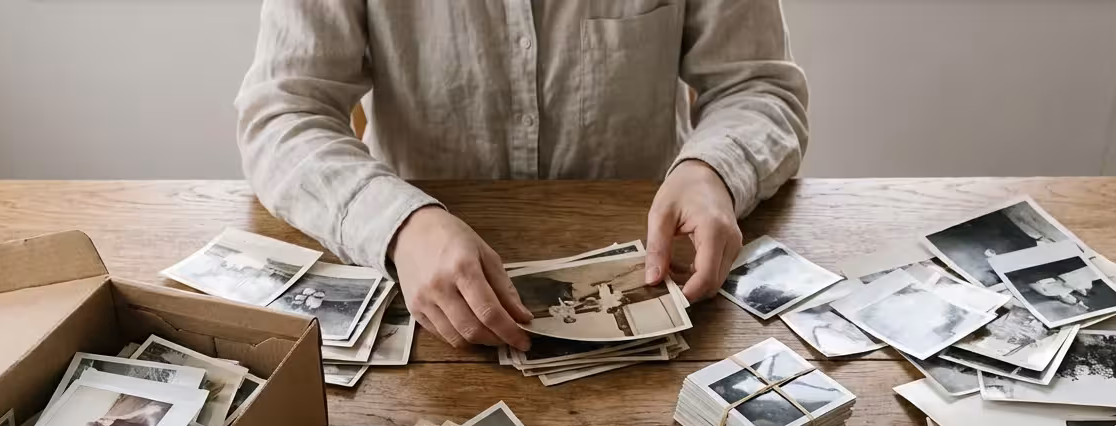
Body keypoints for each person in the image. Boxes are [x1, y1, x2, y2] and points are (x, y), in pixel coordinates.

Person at [237, 1, 809, 351]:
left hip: (661, 275)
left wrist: (713, 171)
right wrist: (398, 224)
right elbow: (283, 115)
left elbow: (757, 85)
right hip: (423, 301)